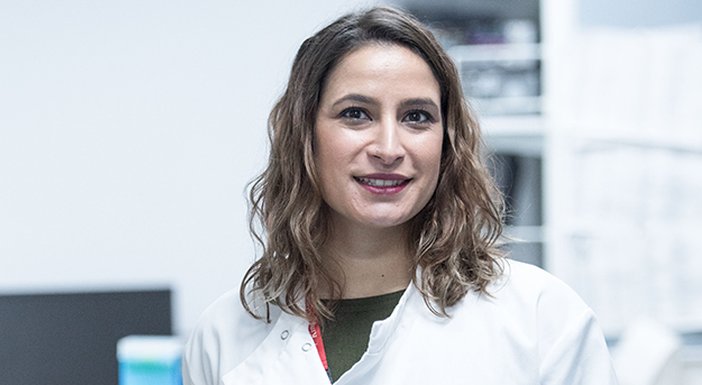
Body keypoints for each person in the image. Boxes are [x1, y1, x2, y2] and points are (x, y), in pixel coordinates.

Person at [182, 6, 618, 385]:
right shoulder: (224, 334)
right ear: (304, 136)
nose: (389, 148)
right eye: (356, 114)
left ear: (447, 143)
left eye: (416, 117)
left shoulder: (542, 318)